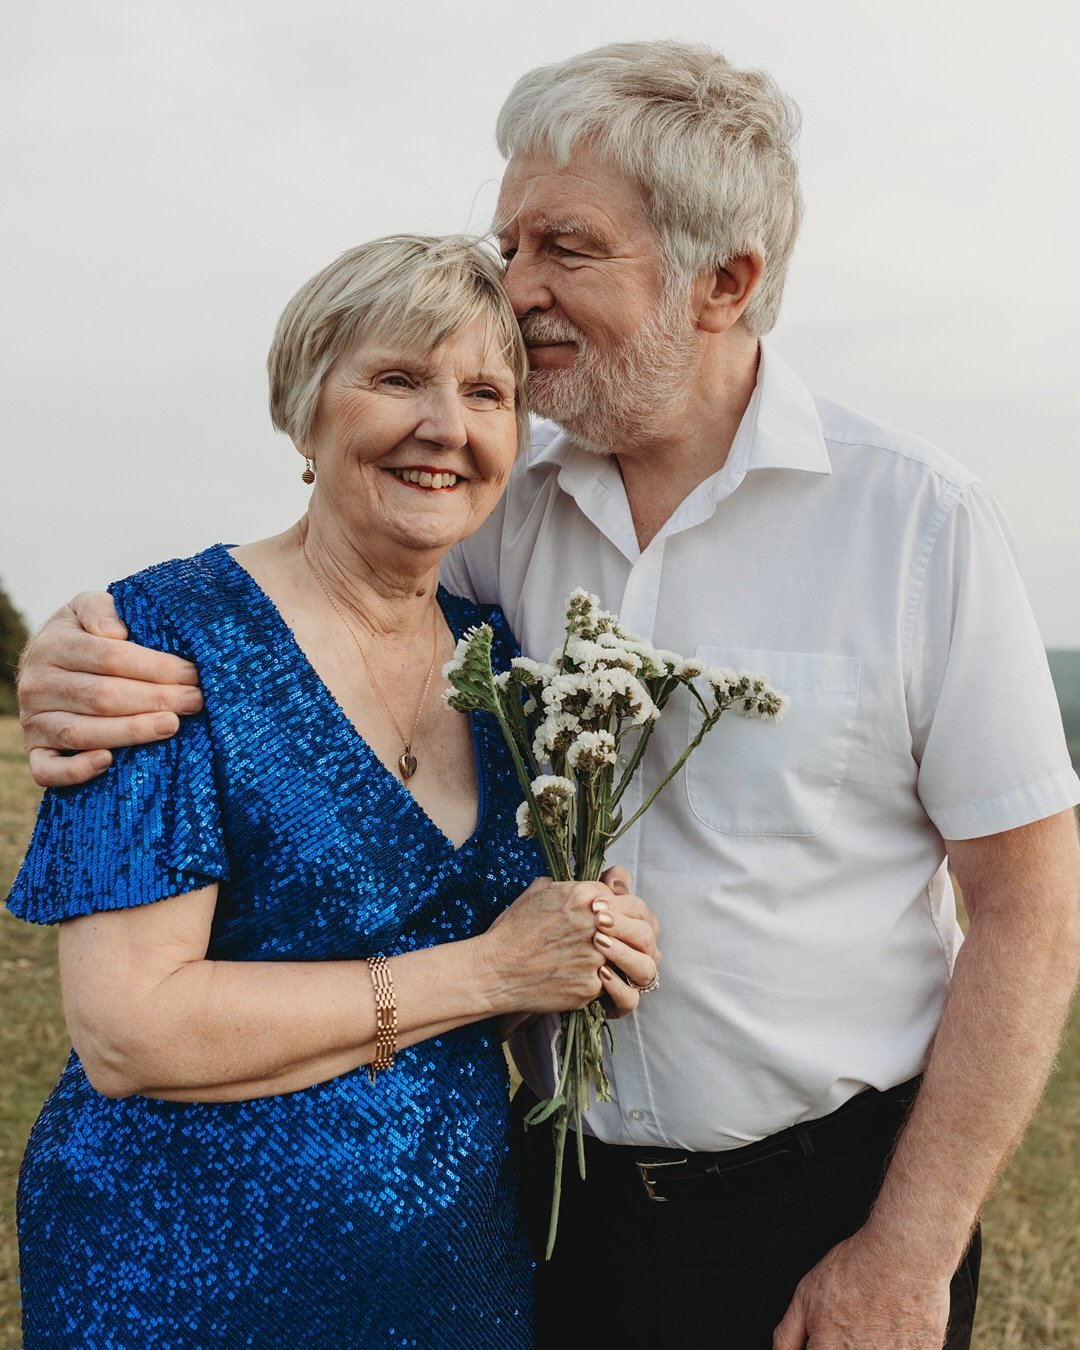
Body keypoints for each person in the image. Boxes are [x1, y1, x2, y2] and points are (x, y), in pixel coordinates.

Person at [15, 39, 1080, 1350]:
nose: (515, 291)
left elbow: (1031, 905)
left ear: (726, 280)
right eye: (509, 242)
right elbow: (306, 599)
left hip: (815, 1210)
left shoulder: (915, 520)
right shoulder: (496, 504)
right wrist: (71, 647)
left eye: (565, 248)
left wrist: (908, 1254)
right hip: (542, 1211)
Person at [5, 232, 662, 1349]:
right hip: (185, 1280)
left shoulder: (507, 673)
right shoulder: (163, 639)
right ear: (305, 413)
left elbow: (495, 992)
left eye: (488, 393)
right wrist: (486, 968)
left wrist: (581, 948)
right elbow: (131, 1029)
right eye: (399, 378)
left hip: (451, 1270)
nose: (447, 427)